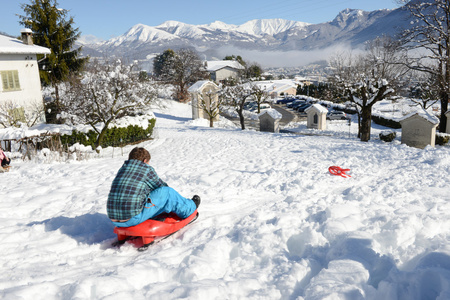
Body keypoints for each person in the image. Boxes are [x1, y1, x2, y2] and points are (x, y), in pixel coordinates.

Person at [107, 147, 200, 228]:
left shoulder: (123, 169)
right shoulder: (145, 169)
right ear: (144, 161)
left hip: (113, 219)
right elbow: (161, 187)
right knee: (167, 192)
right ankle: (190, 208)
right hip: (132, 218)